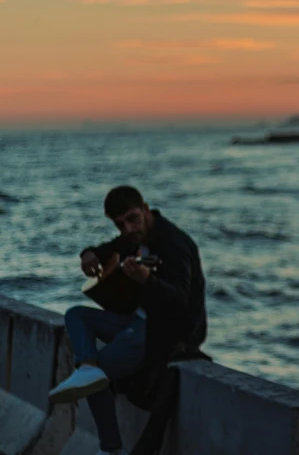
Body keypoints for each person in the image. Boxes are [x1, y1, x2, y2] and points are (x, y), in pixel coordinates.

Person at [48, 186, 207, 455]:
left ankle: (111, 449)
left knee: (101, 375)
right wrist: (88, 254)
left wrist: (148, 281)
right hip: (137, 320)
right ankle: (86, 365)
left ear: (145, 209)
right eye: (120, 224)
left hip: (167, 332)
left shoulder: (174, 243)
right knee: (76, 314)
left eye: (133, 218)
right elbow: (110, 247)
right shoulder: (134, 236)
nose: (128, 228)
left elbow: (181, 302)